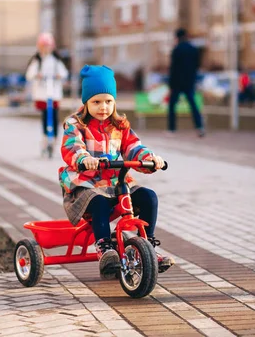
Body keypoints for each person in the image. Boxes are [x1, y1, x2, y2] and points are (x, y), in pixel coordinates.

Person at [59, 64, 175, 279]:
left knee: (148, 197)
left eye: (108, 101)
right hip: (86, 186)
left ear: (114, 102)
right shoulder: (76, 125)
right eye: (96, 102)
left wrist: (148, 159)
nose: (103, 107)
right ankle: (104, 248)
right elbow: (72, 148)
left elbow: (133, 147)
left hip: (116, 184)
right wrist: (85, 159)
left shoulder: (119, 126)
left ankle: (147, 245)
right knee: (100, 202)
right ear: (85, 102)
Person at [25, 32, 69, 156]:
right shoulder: (37, 61)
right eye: (43, 46)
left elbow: (64, 73)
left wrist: (59, 76)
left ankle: (53, 139)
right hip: (42, 94)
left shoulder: (55, 61)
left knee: (54, 117)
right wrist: (36, 75)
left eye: (48, 46)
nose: (46, 49)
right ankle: (45, 138)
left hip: (53, 93)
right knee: (45, 117)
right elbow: (29, 75)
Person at [168, 28, 205, 137]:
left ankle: (172, 129)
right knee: (193, 105)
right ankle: (200, 127)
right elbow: (197, 65)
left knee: (172, 106)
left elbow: (173, 68)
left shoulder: (176, 50)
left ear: (177, 37)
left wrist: (171, 83)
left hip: (177, 83)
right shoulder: (193, 49)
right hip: (189, 81)